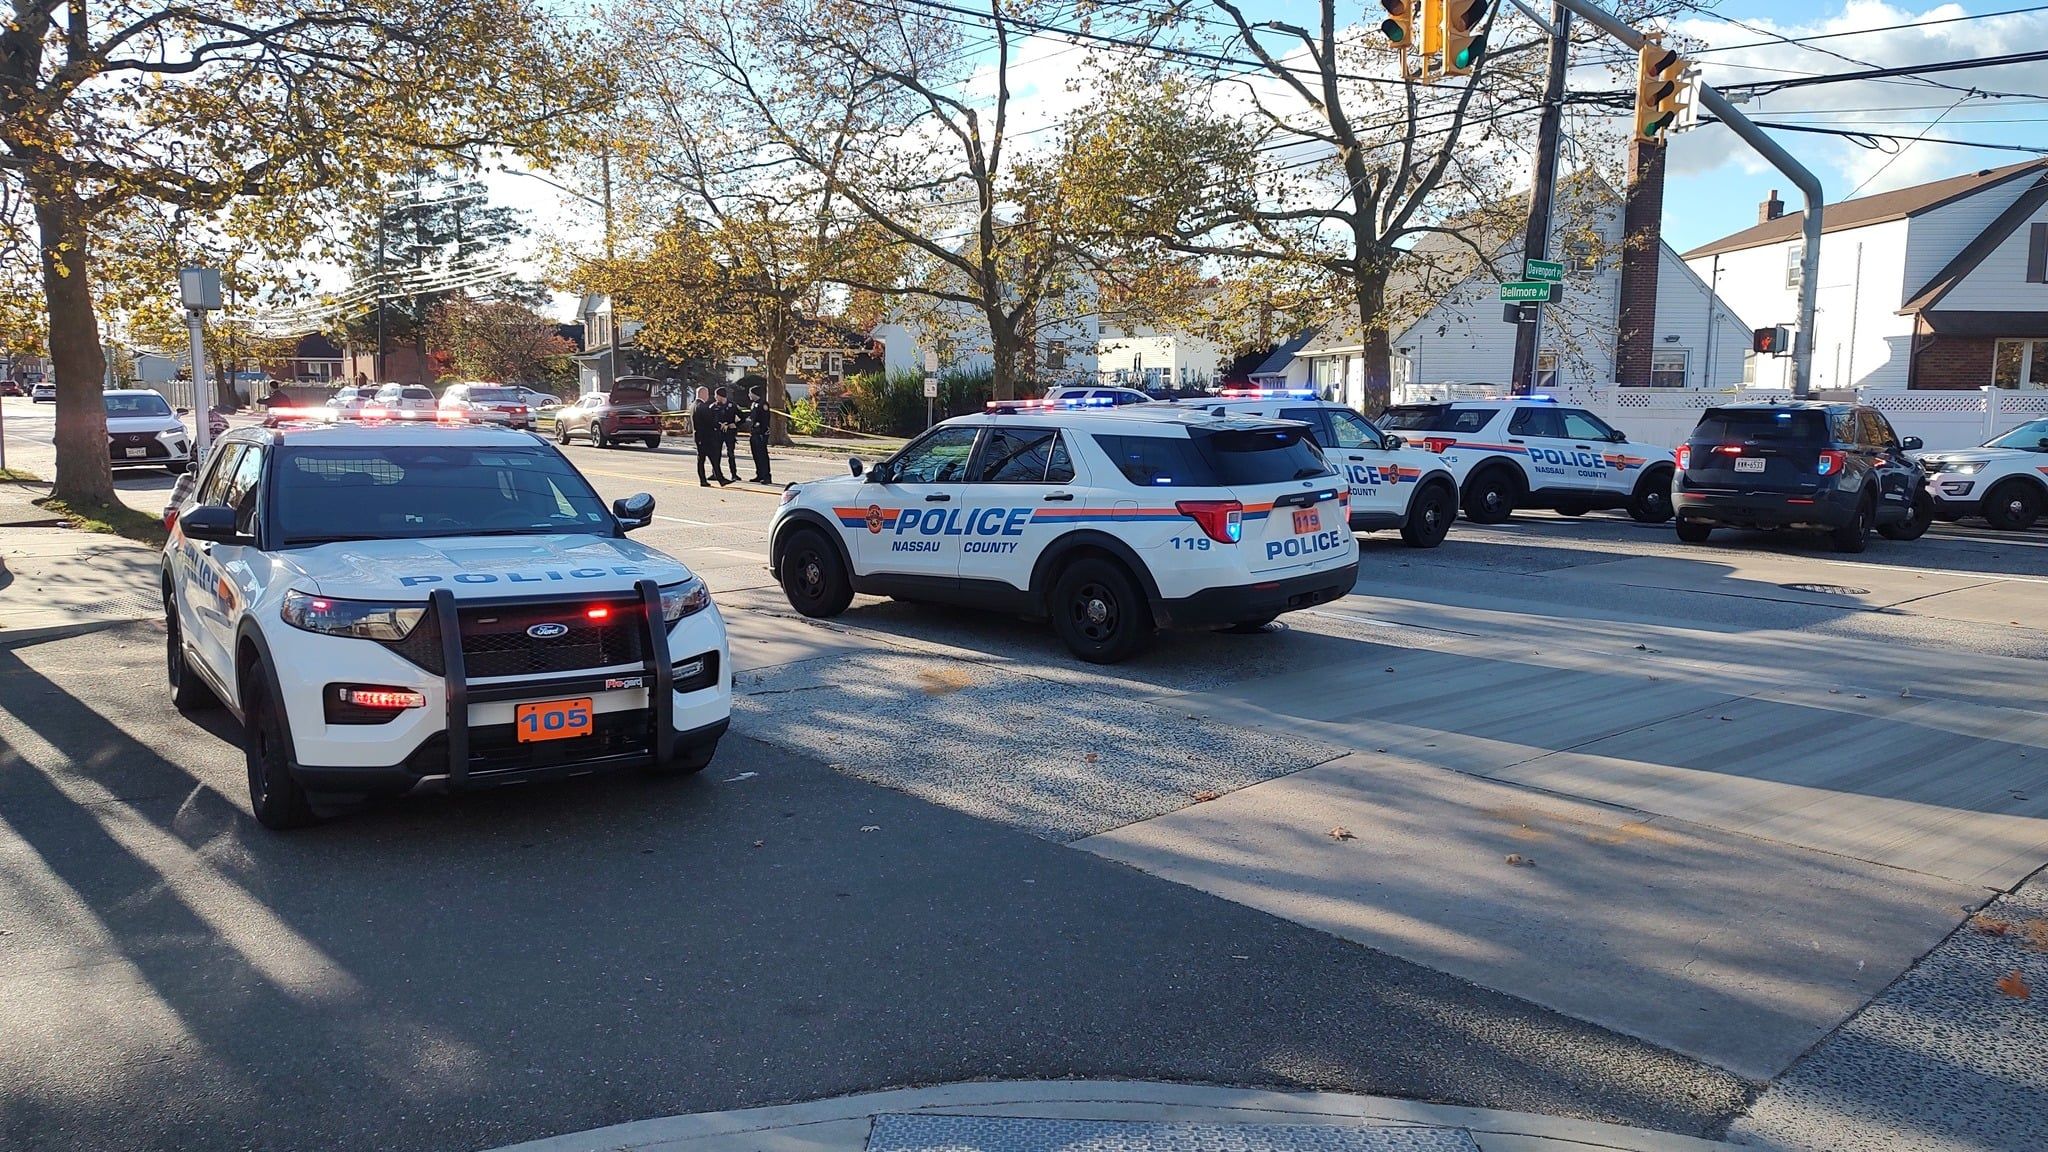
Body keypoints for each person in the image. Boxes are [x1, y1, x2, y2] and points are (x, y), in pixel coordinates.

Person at [690, 386, 727, 486]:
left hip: (699, 436)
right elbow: (709, 421)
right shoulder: (702, 406)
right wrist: (720, 425)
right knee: (711, 458)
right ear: (702, 394)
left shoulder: (693, 405)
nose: (708, 396)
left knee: (703, 459)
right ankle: (718, 479)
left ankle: (714, 479)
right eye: (706, 394)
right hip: (705, 437)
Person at [711, 386, 740, 480]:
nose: (715, 397)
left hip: (730, 433)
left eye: (716, 395)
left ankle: (734, 474)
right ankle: (715, 473)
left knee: (730, 453)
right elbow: (710, 420)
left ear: (720, 396)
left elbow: (742, 417)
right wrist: (718, 425)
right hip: (718, 433)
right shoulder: (713, 406)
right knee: (716, 453)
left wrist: (735, 424)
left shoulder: (732, 405)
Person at [746, 387, 772, 484]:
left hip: (761, 433)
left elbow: (765, 419)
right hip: (754, 432)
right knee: (756, 455)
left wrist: (762, 431)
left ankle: (766, 476)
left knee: (762, 455)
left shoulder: (763, 404)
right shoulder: (753, 404)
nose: (749, 395)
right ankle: (759, 474)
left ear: (754, 393)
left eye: (750, 393)